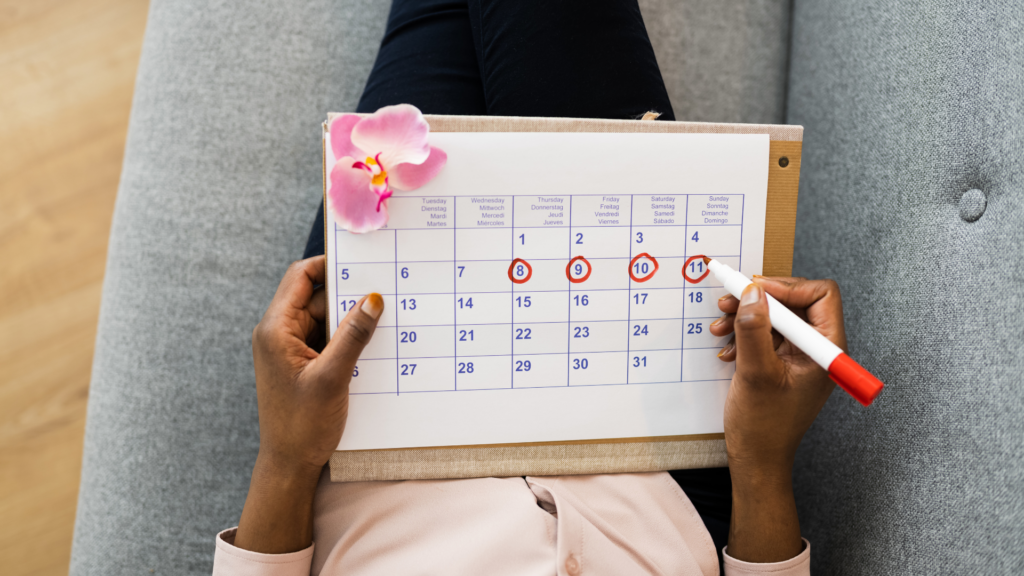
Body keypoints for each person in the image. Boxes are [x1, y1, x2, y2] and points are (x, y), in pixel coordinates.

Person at [213, 1, 844, 574]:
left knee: (434, 23)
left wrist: (286, 457)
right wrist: (762, 462)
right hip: (664, 467)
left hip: (368, 441)